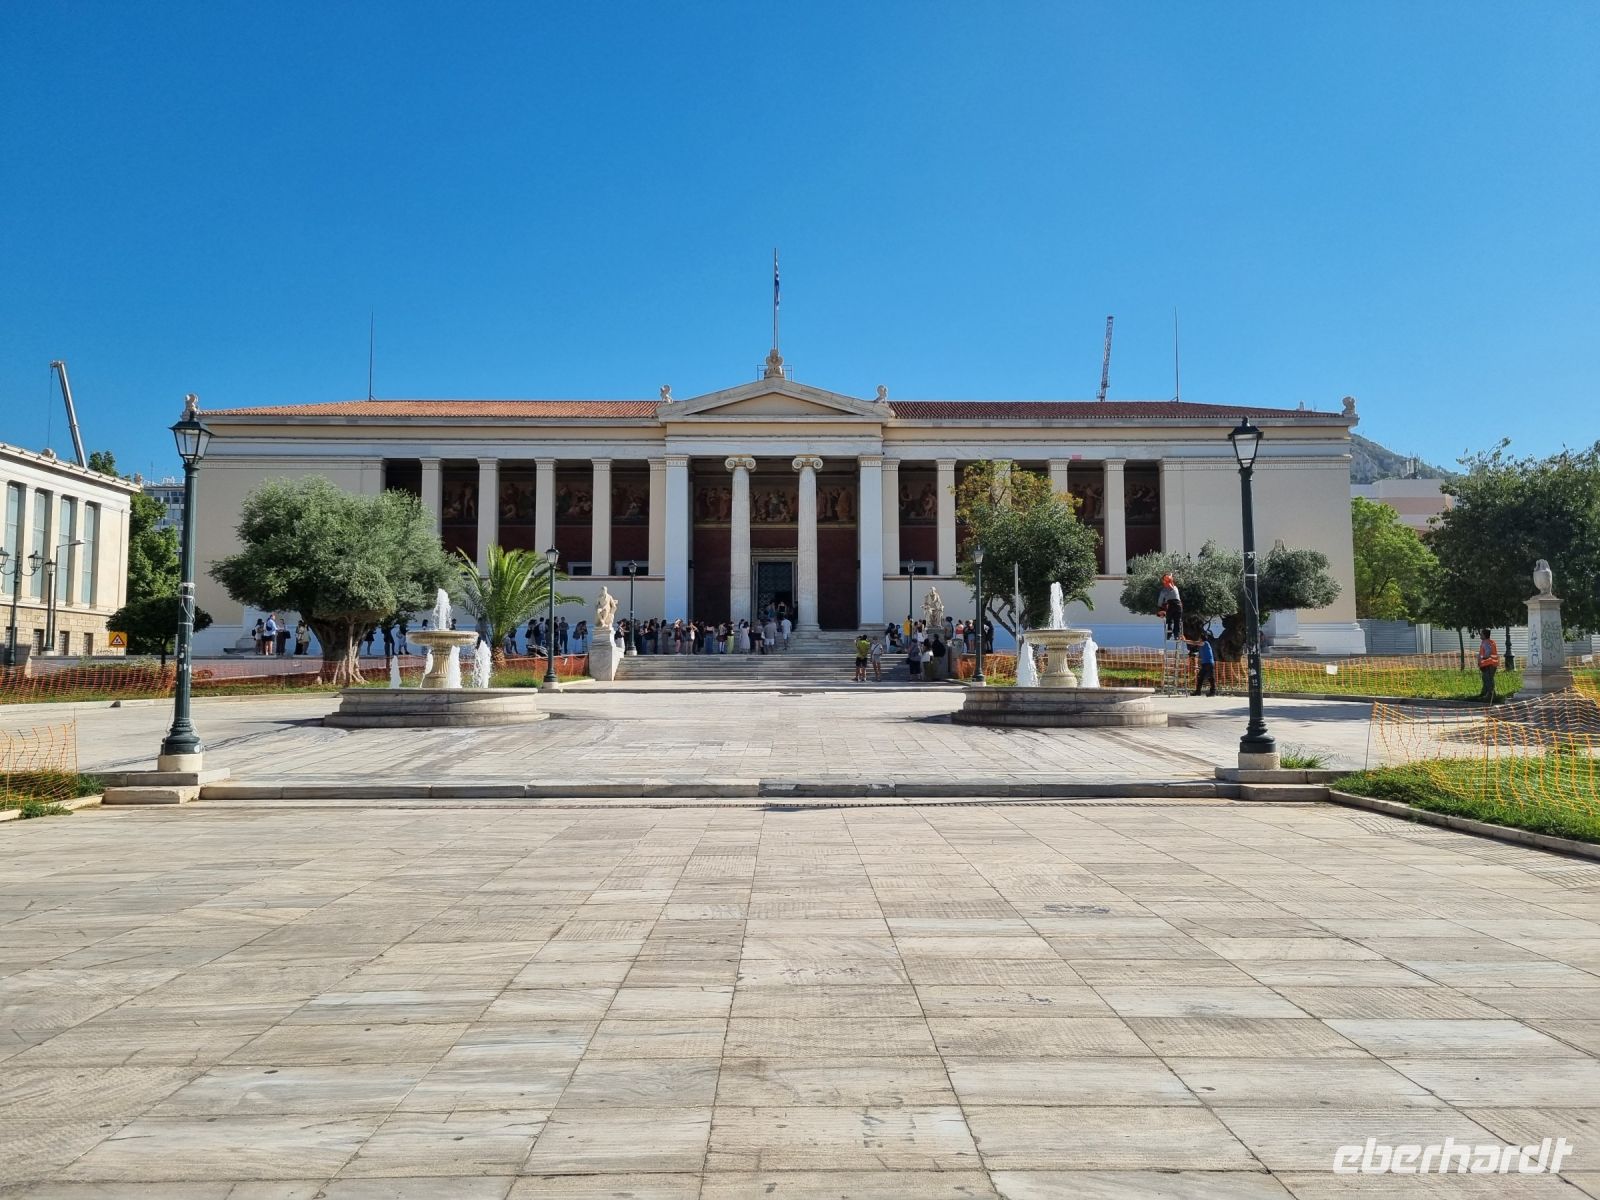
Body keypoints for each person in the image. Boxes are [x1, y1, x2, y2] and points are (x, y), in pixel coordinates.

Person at [1158, 574, 1183, 641]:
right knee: (1176, 621)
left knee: (1169, 620)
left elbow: (1160, 600)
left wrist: (1160, 607)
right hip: (1178, 606)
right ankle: (1176, 635)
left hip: (1172, 605)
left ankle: (1170, 634)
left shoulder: (1165, 590)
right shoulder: (1175, 588)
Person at [1477, 628, 1500, 703]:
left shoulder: (1486, 643)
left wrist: (1482, 658)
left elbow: (1487, 652)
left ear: (1484, 635)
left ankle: (1491, 696)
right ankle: (1488, 694)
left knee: (1488, 680)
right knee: (1488, 679)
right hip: (1491, 663)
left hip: (1488, 664)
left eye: (1481, 634)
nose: (1480, 635)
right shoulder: (1489, 642)